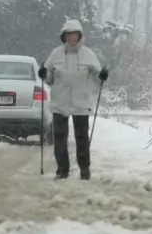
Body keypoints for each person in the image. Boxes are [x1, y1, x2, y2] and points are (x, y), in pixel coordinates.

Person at [38, 19, 109, 180]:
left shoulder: (88, 54)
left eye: (75, 34)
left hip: (81, 102)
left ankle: (85, 169)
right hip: (60, 101)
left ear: (80, 36)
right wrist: (43, 74)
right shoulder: (56, 54)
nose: (72, 37)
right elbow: (48, 76)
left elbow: (98, 74)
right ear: (64, 36)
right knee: (60, 138)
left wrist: (102, 75)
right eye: (69, 34)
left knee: (82, 138)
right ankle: (62, 170)